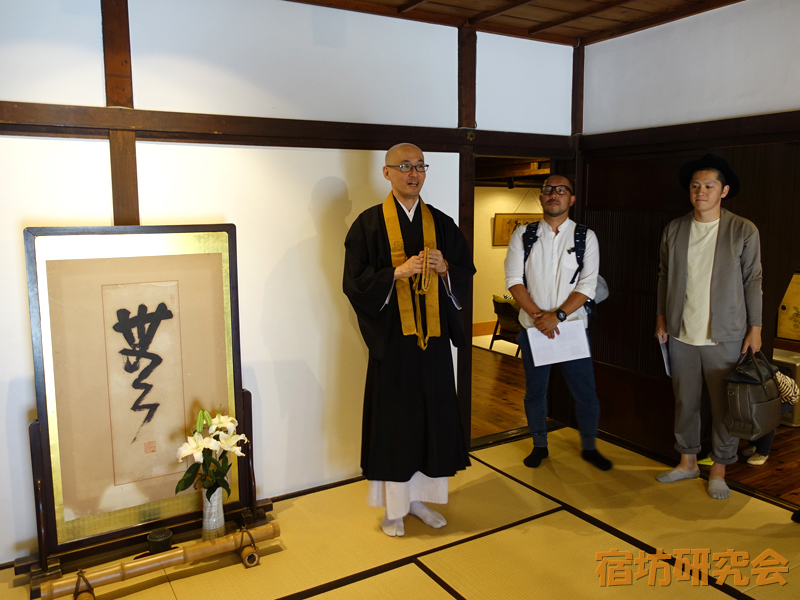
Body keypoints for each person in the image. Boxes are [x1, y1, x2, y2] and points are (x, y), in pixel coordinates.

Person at [343, 143, 475, 537]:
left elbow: (464, 273)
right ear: (387, 173)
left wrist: (446, 267)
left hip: (432, 346)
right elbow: (353, 282)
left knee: (430, 422)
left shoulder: (442, 223)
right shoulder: (367, 225)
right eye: (404, 166)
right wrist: (395, 274)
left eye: (419, 166)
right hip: (394, 347)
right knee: (395, 426)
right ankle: (393, 510)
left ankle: (420, 501)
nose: (413, 173)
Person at [655, 153, 763, 500]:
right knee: (685, 401)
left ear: (724, 190)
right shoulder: (675, 228)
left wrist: (755, 327)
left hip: (726, 333)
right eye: (695, 185)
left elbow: (753, 280)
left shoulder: (743, 229)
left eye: (709, 186)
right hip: (680, 331)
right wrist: (661, 317)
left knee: (724, 406)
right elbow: (663, 276)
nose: (700, 191)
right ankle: (687, 462)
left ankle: (719, 468)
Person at [503, 175, 612, 471]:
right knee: (535, 391)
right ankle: (540, 445)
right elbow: (514, 280)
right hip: (533, 329)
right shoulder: (523, 235)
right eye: (548, 190)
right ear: (541, 198)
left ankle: (589, 445)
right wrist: (540, 317)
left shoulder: (584, 236)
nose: (554, 195)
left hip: (572, 328)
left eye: (561, 191)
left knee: (585, 392)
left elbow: (588, 285)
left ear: (571, 199)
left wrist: (558, 316)